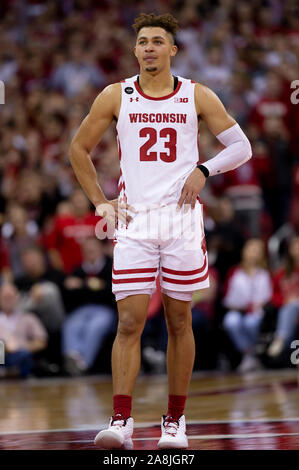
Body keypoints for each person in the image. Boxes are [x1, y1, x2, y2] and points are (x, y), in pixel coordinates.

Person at [69, 13, 252, 450]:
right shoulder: (116, 95)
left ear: (173, 49)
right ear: (135, 50)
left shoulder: (196, 94)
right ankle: (122, 422)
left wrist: (204, 169)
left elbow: (241, 146)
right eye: (143, 42)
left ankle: (175, 422)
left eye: (157, 41)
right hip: (134, 220)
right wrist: (100, 202)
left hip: (182, 220)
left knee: (178, 320)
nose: (149, 47)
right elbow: (77, 148)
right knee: (129, 322)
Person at [222, 238, 272, 373]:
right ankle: (249, 353)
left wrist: (256, 305)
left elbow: (267, 296)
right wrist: (238, 306)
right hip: (237, 309)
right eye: (250, 250)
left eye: (257, 251)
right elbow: (227, 296)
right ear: (244, 252)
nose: (252, 254)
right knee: (231, 321)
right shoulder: (235, 272)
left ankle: (251, 355)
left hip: (256, 310)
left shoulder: (264, 273)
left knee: (251, 322)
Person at [0, 283, 48, 379]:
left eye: (11, 297)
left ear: (17, 297)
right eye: (5, 297)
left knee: (24, 355)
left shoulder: (28, 317)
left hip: (19, 356)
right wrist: (5, 347)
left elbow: (41, 341)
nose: (8, 300)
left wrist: (20, 347)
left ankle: (16, 374)